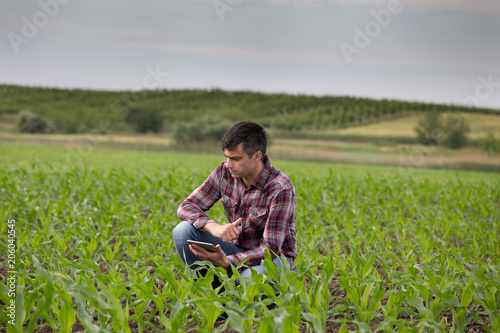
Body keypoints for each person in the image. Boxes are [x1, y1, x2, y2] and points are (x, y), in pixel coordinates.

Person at [172, 121, 297, 282]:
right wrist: (213, 227)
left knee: (249, 280)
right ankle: (216, 291)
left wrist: (226, 262)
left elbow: (270, 250)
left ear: (257, 156)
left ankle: (258, 294)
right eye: (227, 157)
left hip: (274, 260)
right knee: (183, 232)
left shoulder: (279, 188)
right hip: (237, 249)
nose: (229, 164)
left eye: (235, 159)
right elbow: (186, 206)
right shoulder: (224, 173)